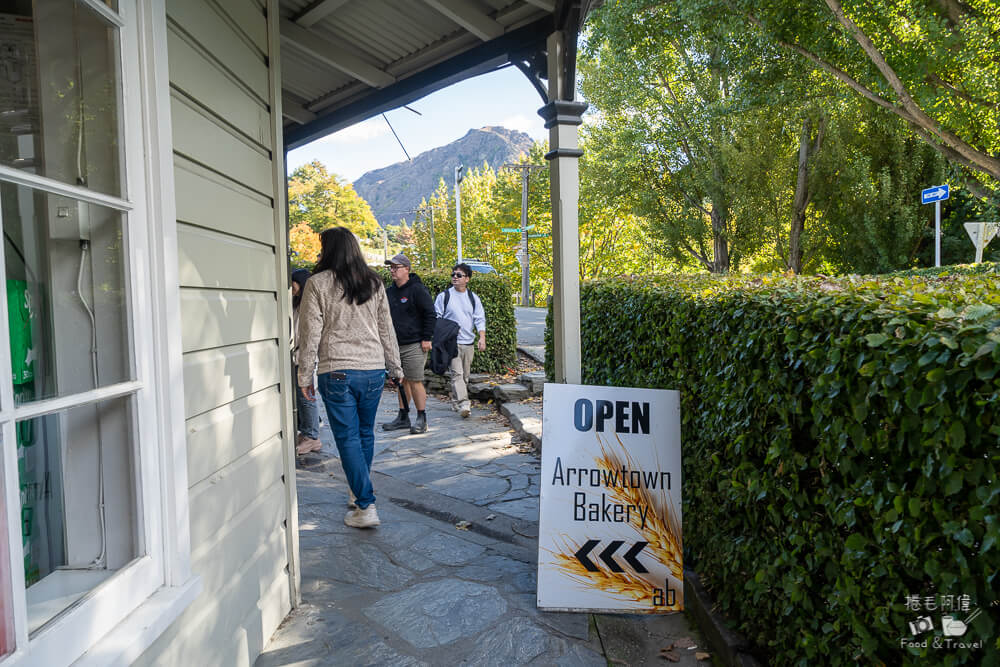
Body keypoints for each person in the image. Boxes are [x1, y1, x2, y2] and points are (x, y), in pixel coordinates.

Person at [298, 227, 403, 528]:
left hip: (337, 371)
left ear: (328, 250)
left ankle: (366, 505)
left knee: (347, 438)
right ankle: (357, 495)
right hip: (372, 371)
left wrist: (304, 376)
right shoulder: (373, 281)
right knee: (365, 435)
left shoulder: (317, 283)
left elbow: (310, 334)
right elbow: (386, 329)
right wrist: (395, 368)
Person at [382, 253, 436, 434]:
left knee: (414, 381)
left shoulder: (417, 290)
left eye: (396, 267)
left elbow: (430, 314)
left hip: (415, 343)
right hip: (395, 344)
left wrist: (427, 338)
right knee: (401, 381)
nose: (392, 271)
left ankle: (422, 418)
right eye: (391, 267)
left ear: (407, 269)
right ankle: (403, 416)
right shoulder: (389, 292)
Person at [433, 262, 486, 418]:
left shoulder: (473, 298)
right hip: (451, 342)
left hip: (468, 342)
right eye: (453, 275)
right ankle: (464, 403)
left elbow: (479, 319)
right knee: (457, 374)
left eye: (459, 275)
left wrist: (482, 337)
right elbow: (437, 318)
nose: (455, 277)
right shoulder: (444, 296)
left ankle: (456, 402)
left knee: (464, 376)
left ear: (467, 279)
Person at [291, 269, 322, 455]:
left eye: (293, 284)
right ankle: (306, 432)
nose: (290, 287)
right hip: (297, 357)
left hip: (306, 357)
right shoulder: (295, 304)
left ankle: (312, 437)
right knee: (300, 397)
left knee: (307, 396)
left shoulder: (309, 306)